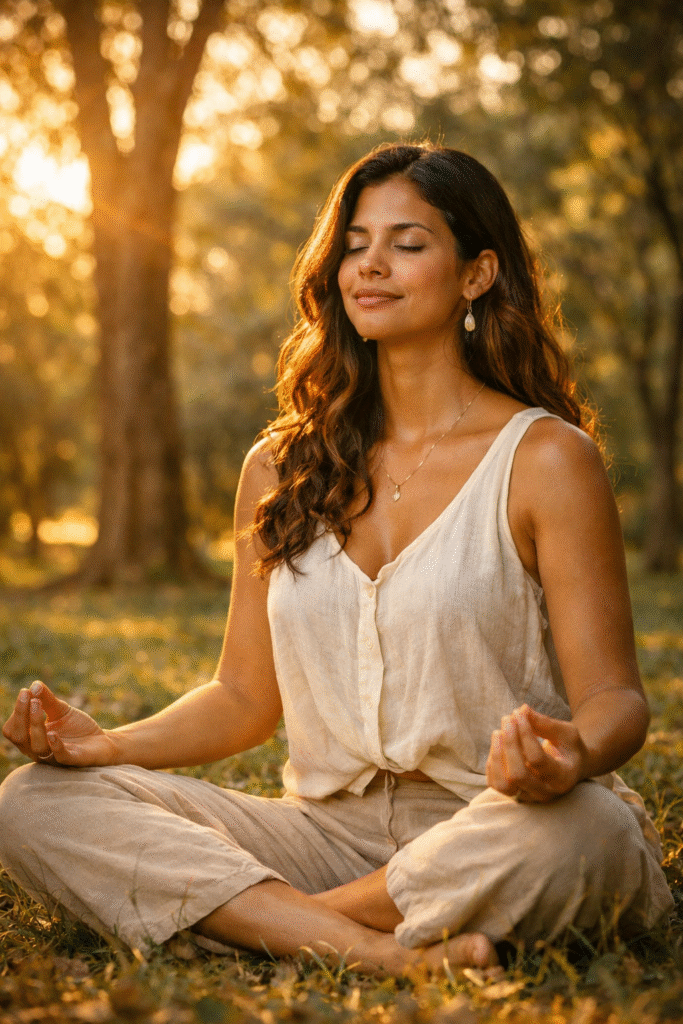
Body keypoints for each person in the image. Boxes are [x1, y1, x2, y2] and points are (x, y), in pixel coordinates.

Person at [0, 144, 673, 975]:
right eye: (354, 244)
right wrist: (108, 748)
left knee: (593, 830)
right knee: (36, 802)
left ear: (476, 273)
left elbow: (614, 699)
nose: (371, 266)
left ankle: (276, 925)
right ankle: (374, 949)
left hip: (497, 821)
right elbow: (243, 698)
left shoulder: (543, 459)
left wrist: (569, 752)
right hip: (320, 833)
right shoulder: (278, 469)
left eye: (408, 243)